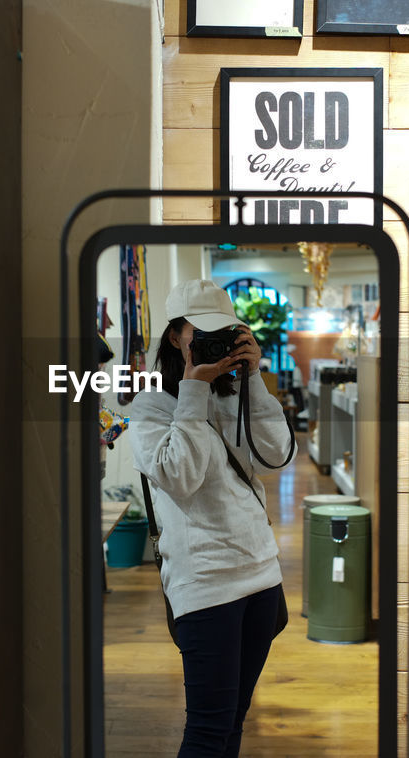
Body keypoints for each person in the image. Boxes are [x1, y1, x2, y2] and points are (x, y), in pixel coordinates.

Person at [129, 279, 294, 757]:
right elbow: (180, 476)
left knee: (233, 722)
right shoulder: (151, 406)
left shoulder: (236, 393)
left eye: (223, 333)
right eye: (200, 334)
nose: (210, 343)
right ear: (175, 337)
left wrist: (255, 379)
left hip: (260, 573)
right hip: (205, 584)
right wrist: (193, 389)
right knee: (206, 729)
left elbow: (276, 454)